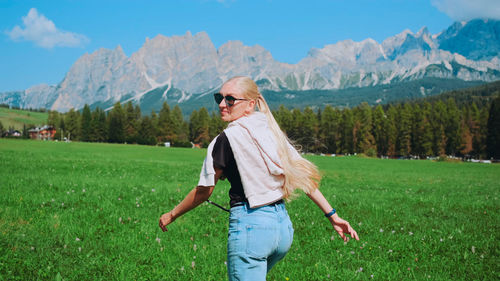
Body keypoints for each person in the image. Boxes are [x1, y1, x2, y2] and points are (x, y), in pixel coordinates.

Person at [159, 76, 359, 280]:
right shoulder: (270, 131)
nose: (221, 104)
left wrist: (172, 214)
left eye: (230, 99)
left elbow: (203, 191)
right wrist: (332, 215)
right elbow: (303, 177)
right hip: (282, 230)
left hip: (251, 229)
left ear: (250, 104)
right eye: (219, 97)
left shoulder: (225, 140)